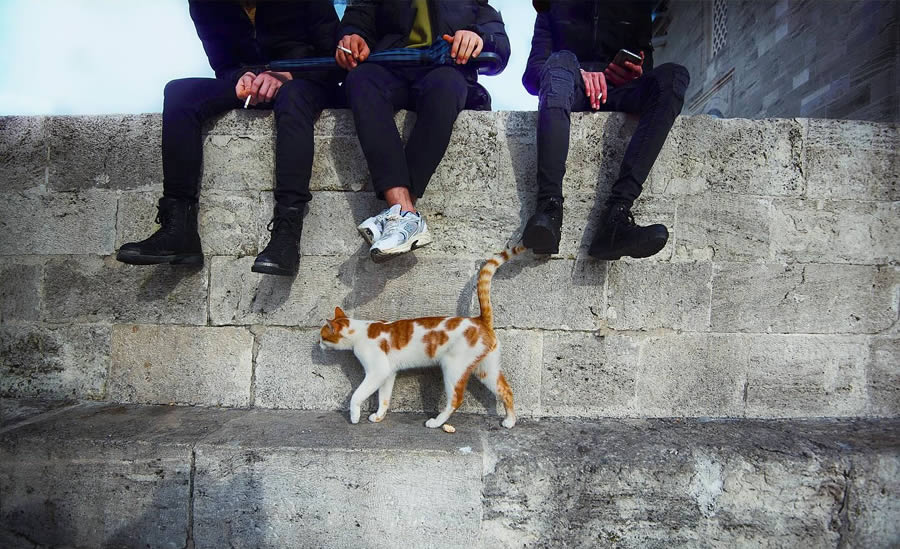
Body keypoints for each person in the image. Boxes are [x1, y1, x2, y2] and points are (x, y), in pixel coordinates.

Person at [117, 0, 340, 276]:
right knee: (178, 93)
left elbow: (335, 60)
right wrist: (241, 77)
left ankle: (286, 236)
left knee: (292, 97)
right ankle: (178, 230)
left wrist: (287, 75)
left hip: (306, 83)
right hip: (248, 86)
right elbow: (223, 63)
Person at [336, 0, 510, 262]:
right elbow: (355, 22)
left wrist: (479, 37)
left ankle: (400, 214)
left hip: (444, 72)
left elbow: (500, 42)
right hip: (387, 70)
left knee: (447, 86)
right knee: (360, 80)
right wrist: (351, 39)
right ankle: (405, 213)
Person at [522, 0, 690, 259]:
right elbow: (532, 75)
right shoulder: (551, 7)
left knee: (674, 76)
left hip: (620, 90)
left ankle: (617, 216)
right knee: (561, 59)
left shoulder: (636, 7)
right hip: (569, 88)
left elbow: (647, 67)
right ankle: (549, 208)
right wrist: (580, 72)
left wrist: (634, 71)